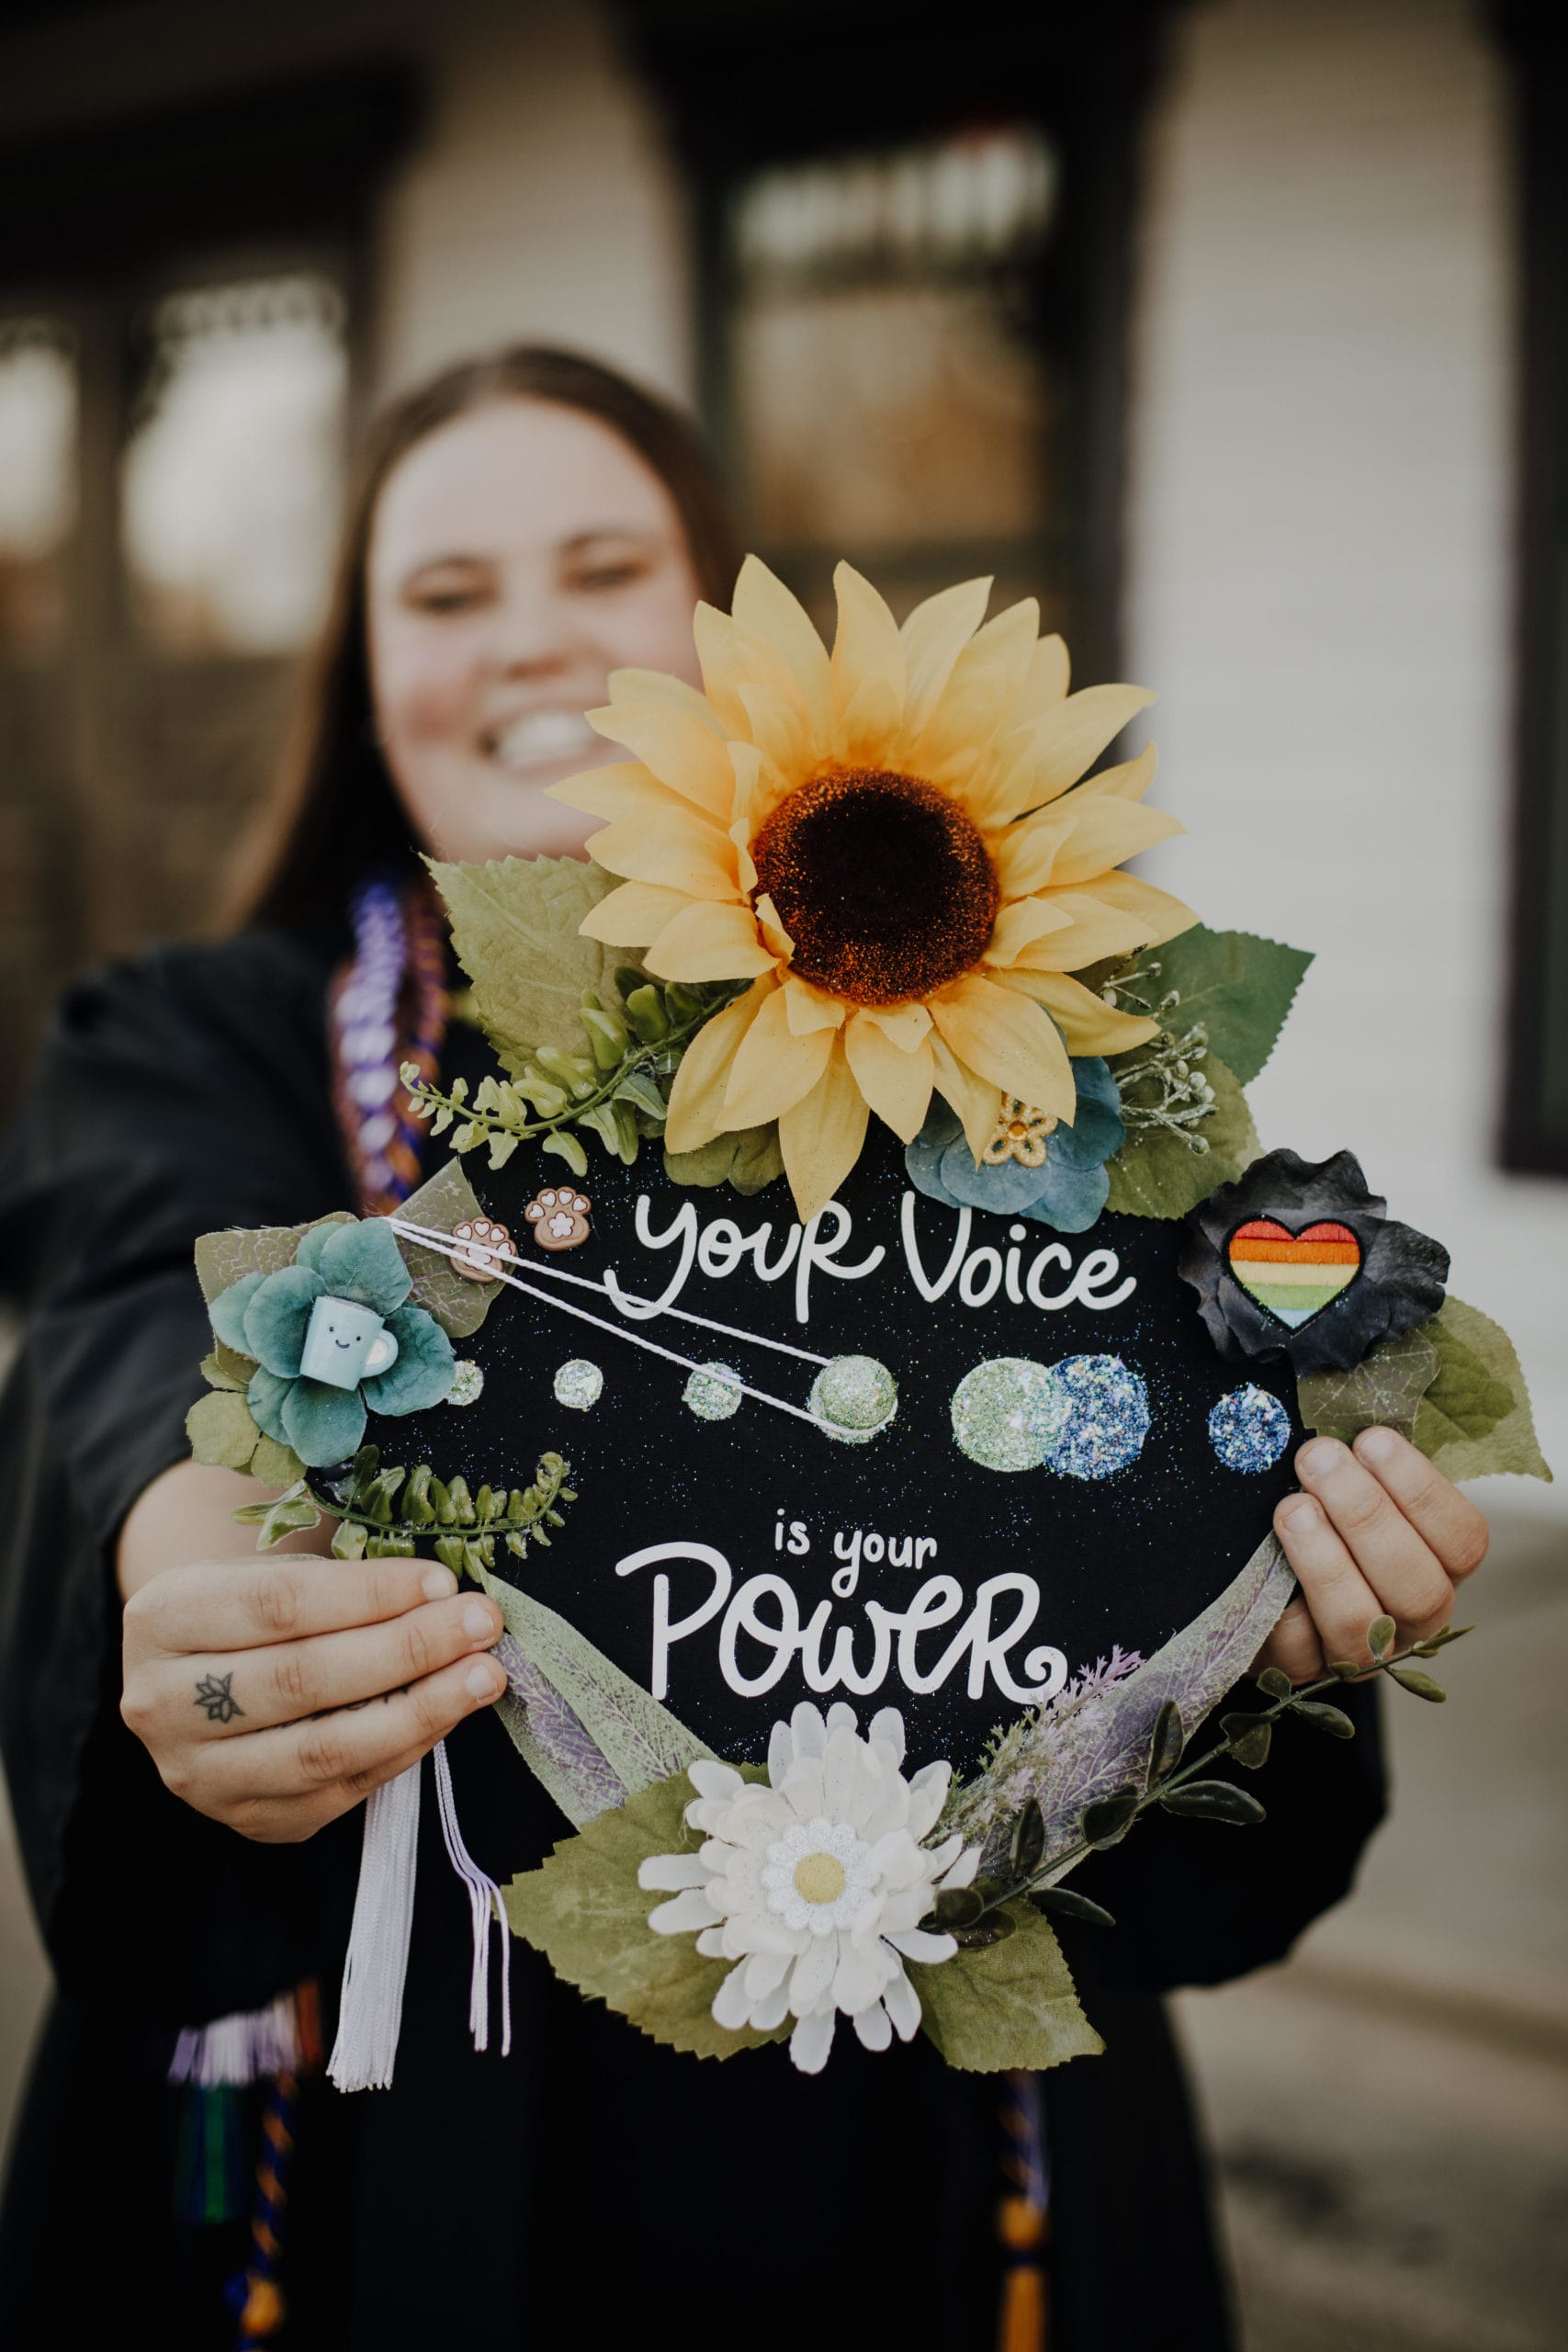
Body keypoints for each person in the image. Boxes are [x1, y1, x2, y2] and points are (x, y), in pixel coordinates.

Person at [0, 345, 1489, 2350]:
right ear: (360, 669)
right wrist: (192, 1569)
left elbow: (1138, 1446)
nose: (524, 635)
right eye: (442, 596)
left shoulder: (979, 1052)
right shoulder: (204, 1034)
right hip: (403, 2118)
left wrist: (1252, 1612)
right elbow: (121, 1310)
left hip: (910, 2133)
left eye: (599, 567)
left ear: (718, 629)